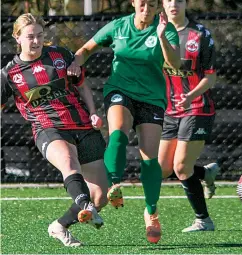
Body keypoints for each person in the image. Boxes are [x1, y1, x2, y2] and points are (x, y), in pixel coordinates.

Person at [67, 0, 181, 243]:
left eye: (152, 5)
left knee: (150, 158)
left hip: (152, 97)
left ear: (158, 7)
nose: (146, 9)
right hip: (120, 90)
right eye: (142, 3)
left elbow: (175, 63)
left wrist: (161, 37)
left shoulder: (165, 28)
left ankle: (151, 211)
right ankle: (114, 185)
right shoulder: (118, 26)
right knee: (118, 132)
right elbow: (86, 49)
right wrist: (75, 63)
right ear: (133, 2)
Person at [1, 13, 109, 247]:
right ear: (17, 38)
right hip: (48, 128)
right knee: (69, 164)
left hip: (82, 125)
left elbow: (83, 86)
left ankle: (60, 226)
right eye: (30, 37)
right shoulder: (9, 74)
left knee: (101, 196)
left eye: (40, 35)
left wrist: (93, 112)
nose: (36, 41)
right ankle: (85, 205)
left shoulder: (61, 55)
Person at [159, 0, 219, 232]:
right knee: (164, 169)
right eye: (168, 0)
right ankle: (205, 173)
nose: (173, 4)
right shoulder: (155, 31)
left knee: (182, 167)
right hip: (169, 110)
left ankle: (203, 220)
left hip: (197, 107)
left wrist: (190, 94)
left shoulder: (200, 34)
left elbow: (211, 78)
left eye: (179, 0)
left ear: (185, 3)